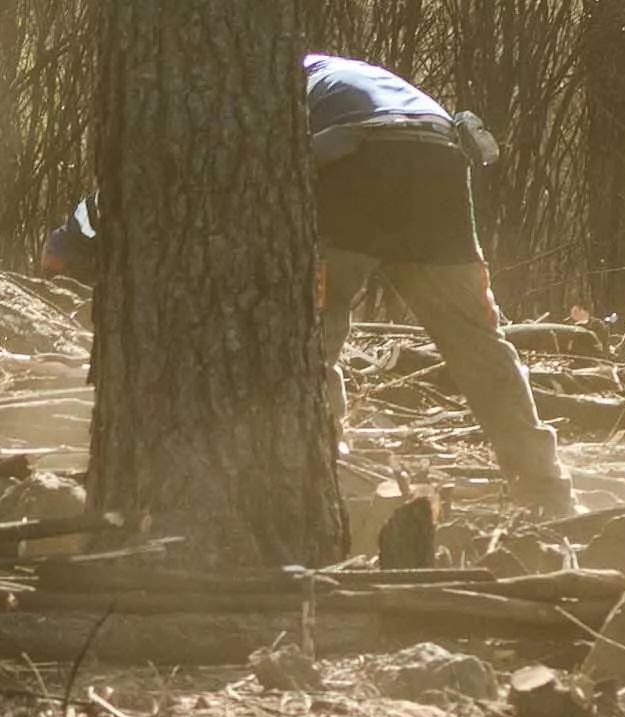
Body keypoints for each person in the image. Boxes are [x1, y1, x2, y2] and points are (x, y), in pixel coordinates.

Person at [38, 54, 568, 508]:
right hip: (439, 156)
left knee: (311, 327)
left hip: (356, 161)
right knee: (476, 340)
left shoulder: (243, 90)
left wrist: (68, 243)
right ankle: (544, 485)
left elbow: (154, 182)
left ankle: (323, 477)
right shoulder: (322, 73)